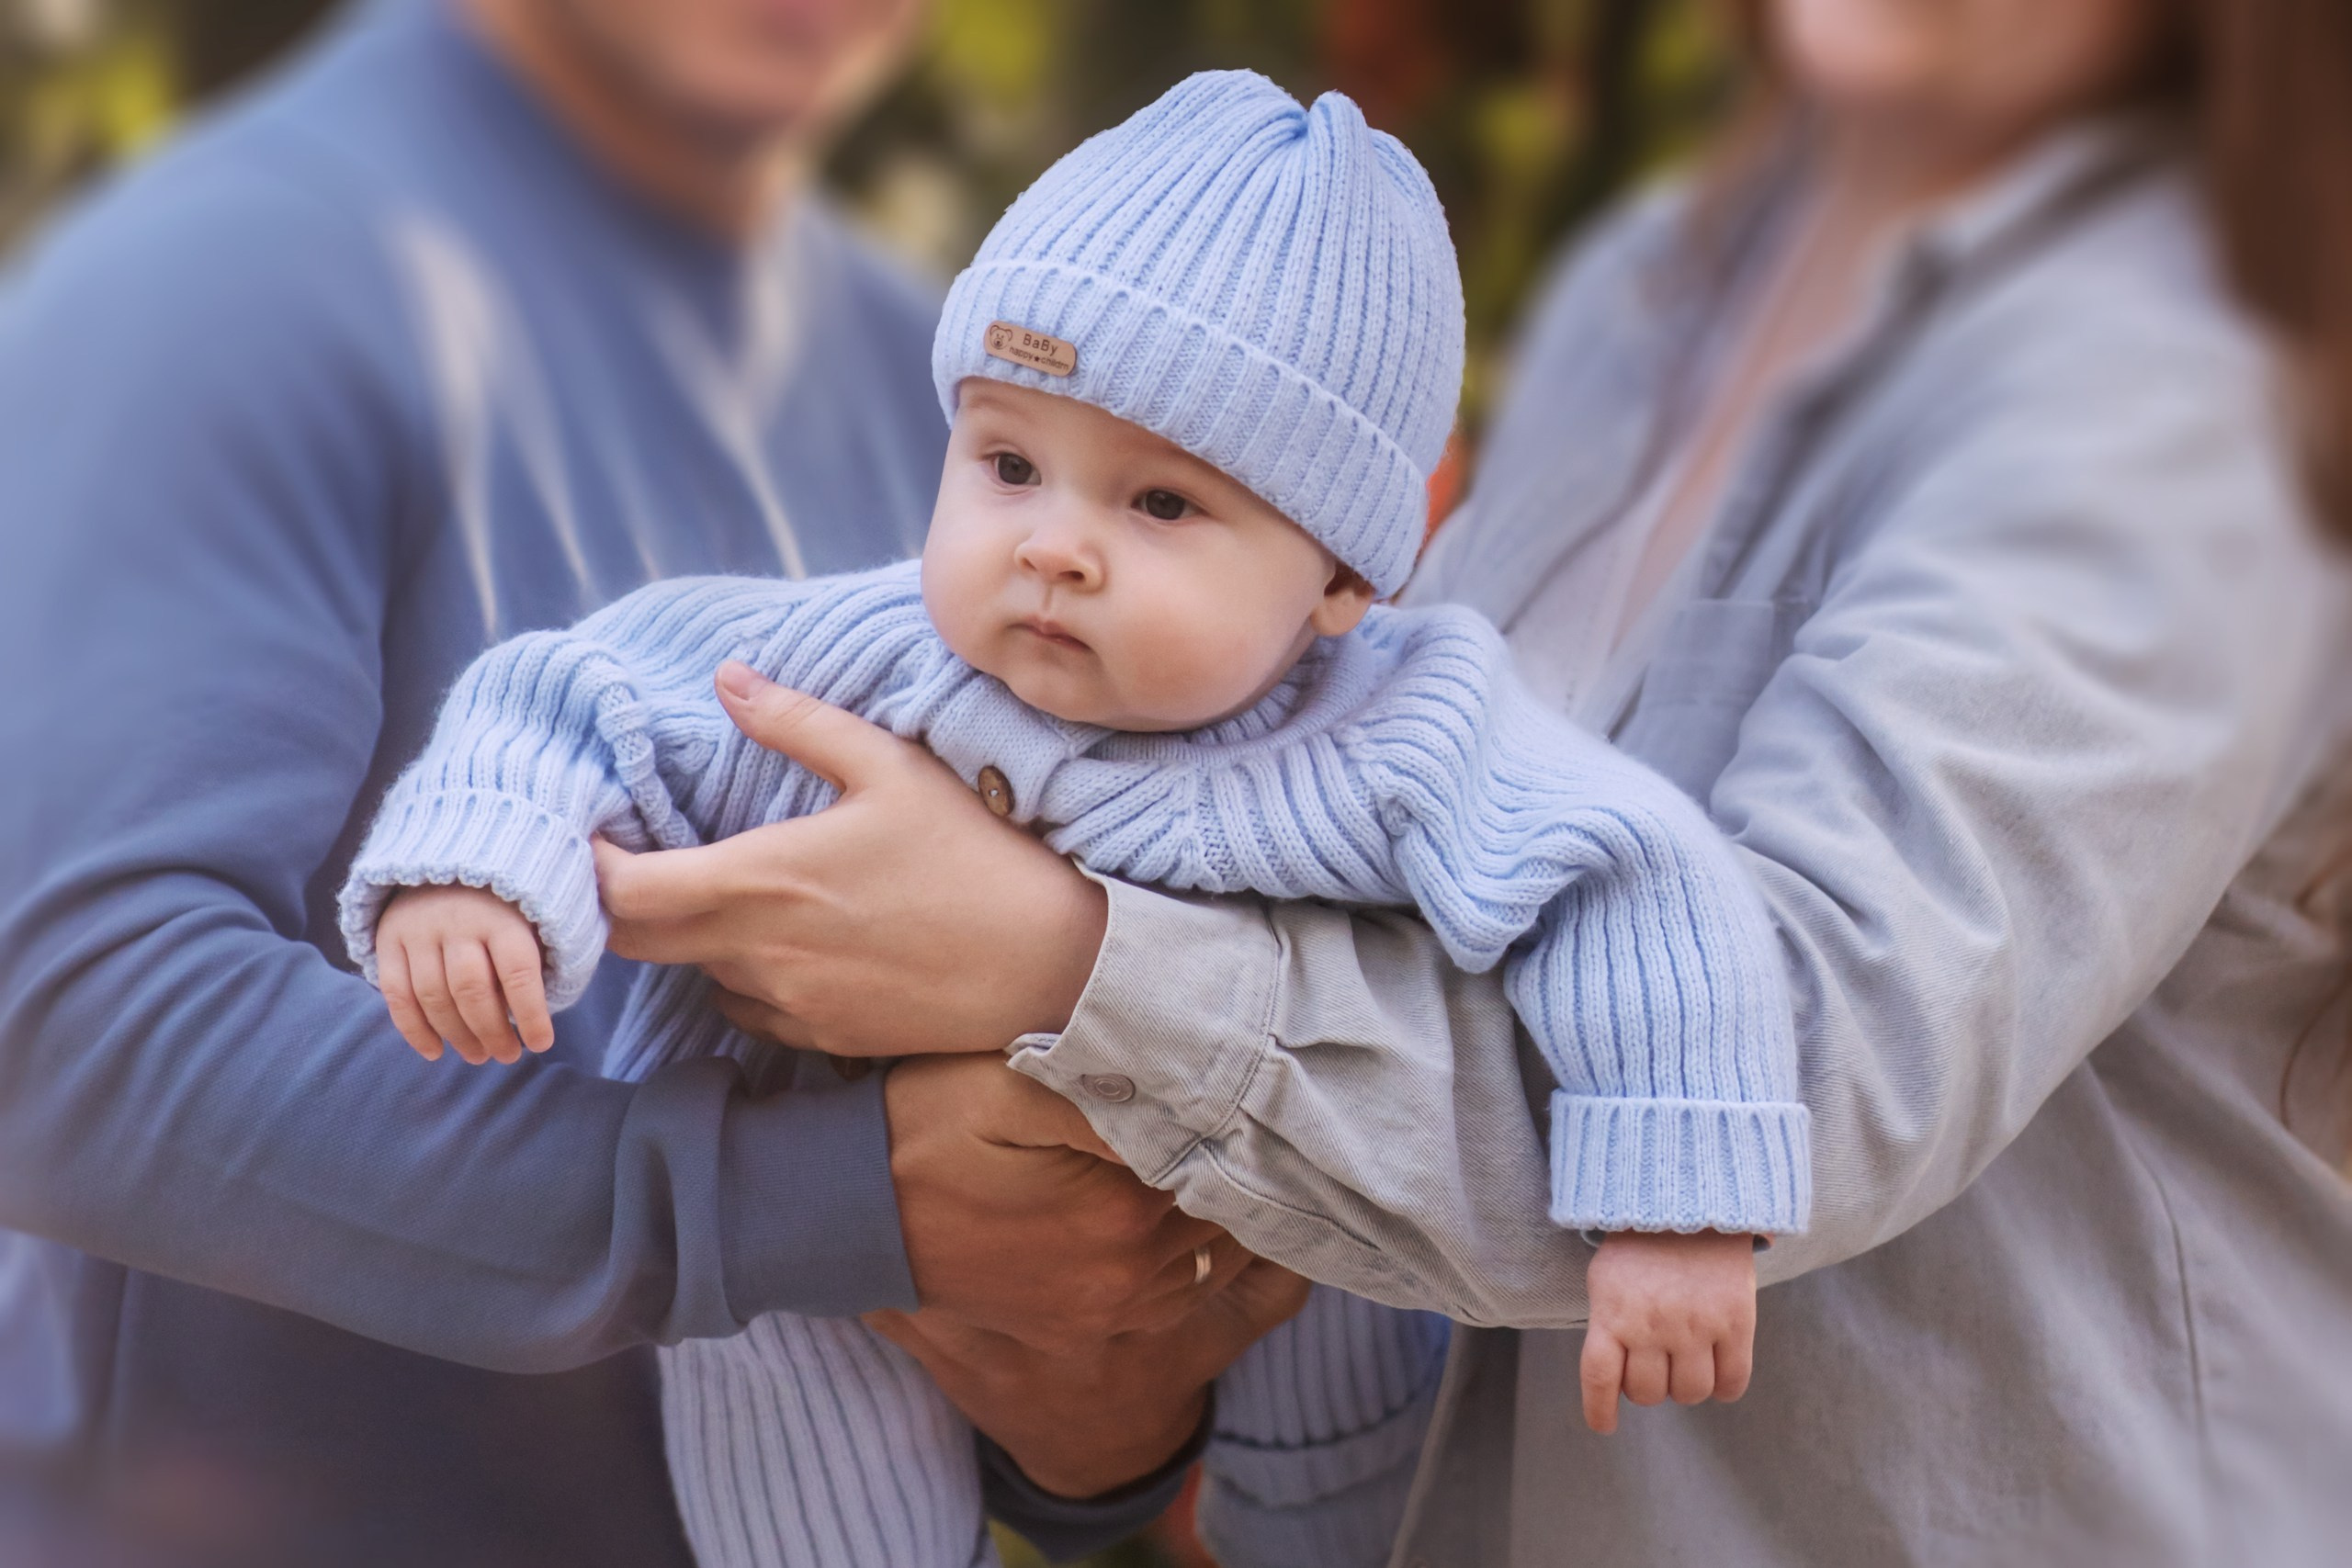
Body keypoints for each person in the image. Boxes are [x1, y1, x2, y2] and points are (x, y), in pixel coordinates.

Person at [601, 0, 2352, 1562]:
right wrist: (1127, 1380)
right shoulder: (1660, 283)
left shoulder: (2190, 372)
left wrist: (1060, 957)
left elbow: (1814, 1072)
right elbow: (1387, 854)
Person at [341, 70, 1807, 1568]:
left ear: (1343, 588)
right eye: (1009, 464)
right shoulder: (860, 658)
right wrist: (480, 874)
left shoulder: (1404, 729)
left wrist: (1676, 1206)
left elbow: (1631, 880)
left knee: (1351, 1322)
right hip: (831, 1216)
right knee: (786, 1391)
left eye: (1160, 506)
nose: (1054, 548)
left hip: (1257, 1236)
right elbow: (577, 698)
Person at [0, 2, 1299, 1563]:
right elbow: (60, 1024)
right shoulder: (229, 279)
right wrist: (790, 1205)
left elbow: (1030, 1340)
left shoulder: (952, 384)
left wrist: (1098, 1423)